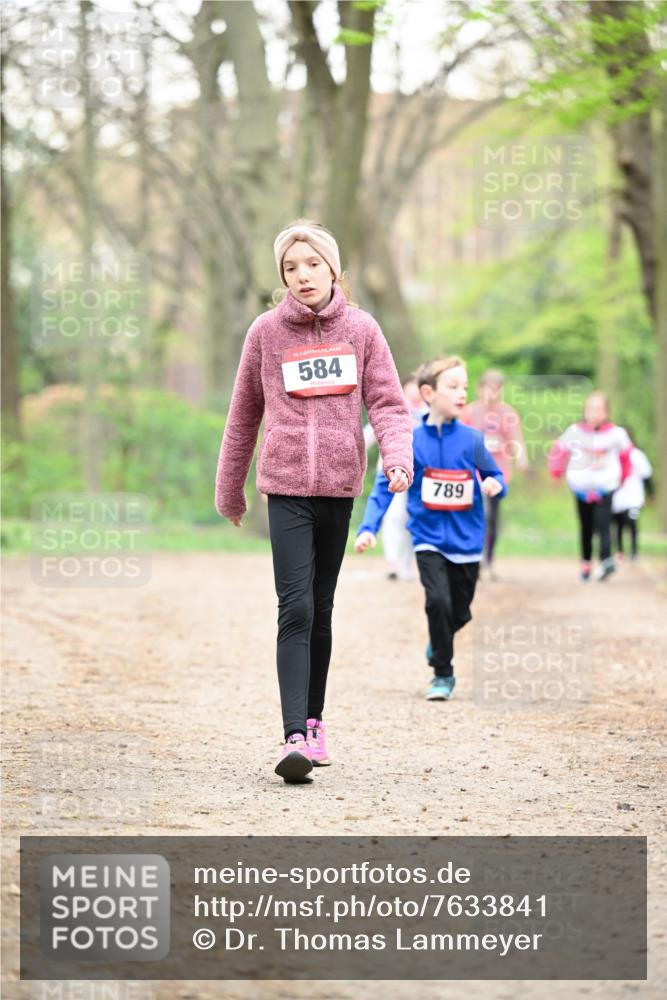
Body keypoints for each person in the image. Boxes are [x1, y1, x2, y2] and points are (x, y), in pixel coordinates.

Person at [214, 219, 413, 782]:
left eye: (312, 265)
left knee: (321, 608)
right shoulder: (265, 333)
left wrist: (398, 459)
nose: (301, 276)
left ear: (333, 269)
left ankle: (315, 720)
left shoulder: (363, 330)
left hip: (340, 486)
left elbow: (390, 405)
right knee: (295, 606)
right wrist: (230, 489)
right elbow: (243, 414)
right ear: (281, 276)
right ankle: (292, 736)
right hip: (284, 487)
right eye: (290, 268)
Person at [355, 356, 506, 701]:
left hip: (468, 541)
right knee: (437, 600)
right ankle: (443, 673)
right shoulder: (410, 439)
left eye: (464, 387)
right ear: (428, 393)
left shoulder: (471, 440)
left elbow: (495, 474)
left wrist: (496, 485)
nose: (461, 393)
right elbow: (383, 486)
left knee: (460, 611)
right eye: (452, 387)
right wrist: (368, 528)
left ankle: (439, 641)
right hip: (427, 538)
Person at [548, 391, 632, 581]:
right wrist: (556, 473)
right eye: (590, 409)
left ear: (607, 412)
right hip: (581, 489)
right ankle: (586, 563)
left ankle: (605, 560)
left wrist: (624, 477)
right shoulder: (574, 432)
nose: (594, 413)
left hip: (606, 486)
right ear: (585, 411)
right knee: (586, 526)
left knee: (604, 524)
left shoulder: (616, 434)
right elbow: (558, 451)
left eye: (599, 409)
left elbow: (627, 456)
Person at [461, 369, 528, 579]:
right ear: (480, 389)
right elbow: (460, 437)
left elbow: (515, 438)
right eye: (487, 388)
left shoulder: (507, 413)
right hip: (472, 473)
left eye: (496, 389)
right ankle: (472, 559)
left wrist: (522, 458)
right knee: (474, 516)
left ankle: (487, 561)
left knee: (491, 518)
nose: (491, 393)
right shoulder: (470, 412)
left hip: (497, 473)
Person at [363, 374, 427, 581]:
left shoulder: (429, 413)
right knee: (393, 515)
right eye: (412, 386)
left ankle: (407, 564)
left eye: (419, 387)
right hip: (391, 471)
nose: (415, 391)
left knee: (412, 518)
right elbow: (370, 434)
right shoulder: (394, 408)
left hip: (420, 474)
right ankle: (392, 561)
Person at [611, 428, 653, 561]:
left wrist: (651, 493)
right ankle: (619, 551)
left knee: (632, 521)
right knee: (618, 525)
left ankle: (634, 551)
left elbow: (647, 476)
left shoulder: (637, 455)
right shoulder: (612, 456)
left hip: (634, 497)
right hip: (617, 498)